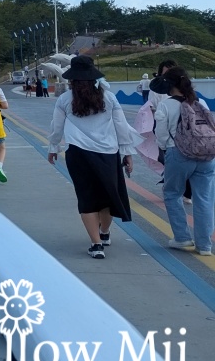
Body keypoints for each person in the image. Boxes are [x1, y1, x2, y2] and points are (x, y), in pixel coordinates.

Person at [47, 55, 141, 260]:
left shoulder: (64, 99)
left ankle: (96, 244)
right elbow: (122, 128)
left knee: (87, 197)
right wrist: (127, 153)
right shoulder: (109, 97)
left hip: (78, 154)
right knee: (107, 195)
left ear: (72, 78)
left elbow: (57, 128)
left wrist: (53, 147)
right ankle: (105, 233)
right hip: (108, 153)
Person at [154, 67, 215, 255]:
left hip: (178, 153)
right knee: (204, 199)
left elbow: (161, 135)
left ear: (169, 86)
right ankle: (204, 246)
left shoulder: (166, 105)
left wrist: (166, 150)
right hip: (206, 155)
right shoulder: (201, 102)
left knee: (172, 193)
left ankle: (182, 238)